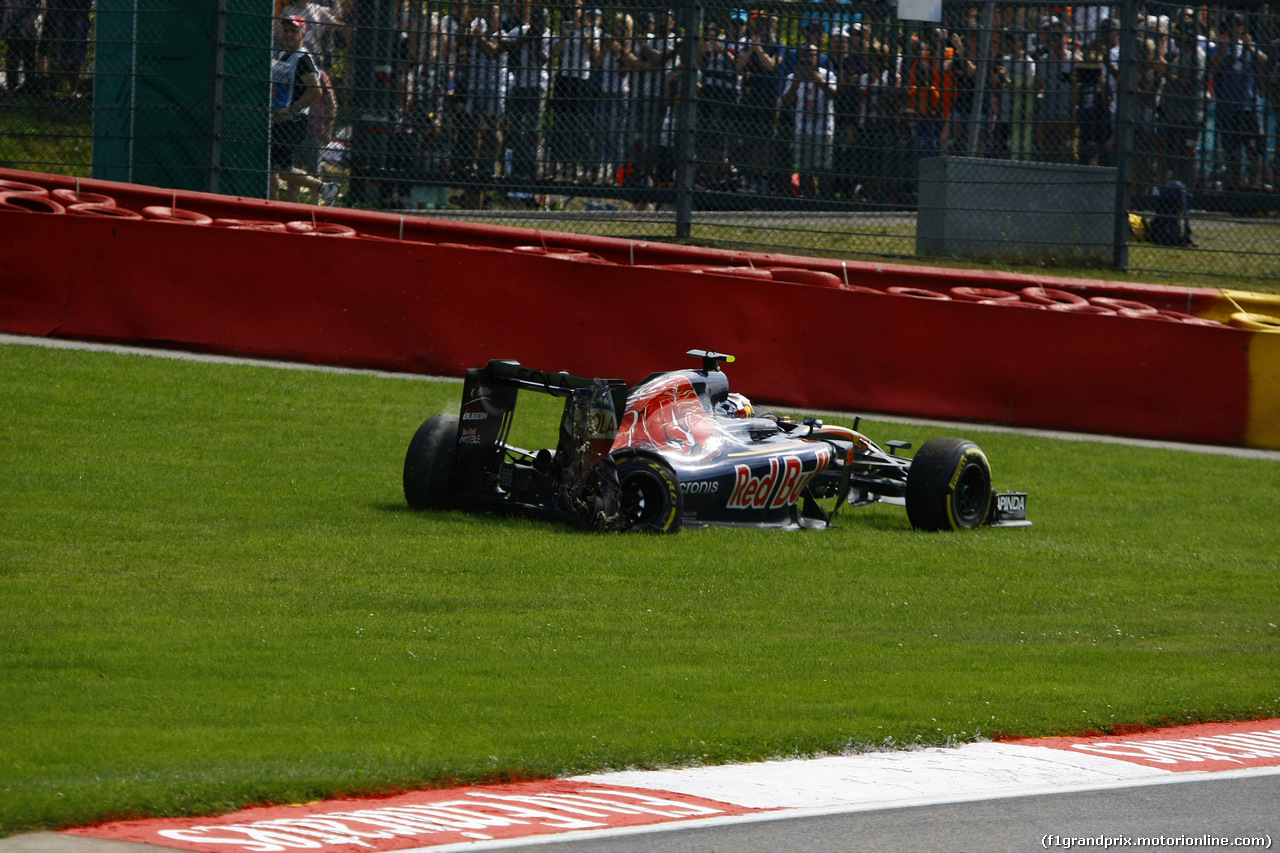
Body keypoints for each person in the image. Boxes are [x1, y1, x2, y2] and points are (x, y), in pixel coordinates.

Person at [271, 16, 340, 205]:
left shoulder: (302, 59)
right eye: (286, 31)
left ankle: (324, 188)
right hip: (278, 120)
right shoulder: (283, 56)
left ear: (303, 35)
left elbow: (316, 91)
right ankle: (271, 208)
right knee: (272, 170)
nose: (289, 35)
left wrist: (291, 110)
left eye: (294, 31)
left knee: (282, 170)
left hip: (292, 122)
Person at [1209, 11, 1268, 190]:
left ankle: (1255, 186)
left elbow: (1265, 61)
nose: (1236, 30)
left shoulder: (1249, 46)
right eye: (1232, 26)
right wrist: (1224, 48)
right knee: (1232, 153)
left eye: (1239, 26)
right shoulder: (1217, 47)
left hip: (1250, 106)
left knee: (1254, 150)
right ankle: (1233, 189)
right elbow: (1212, 67)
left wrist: (1250, 48)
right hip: (1228, 108)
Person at [781, 42, 838, 198]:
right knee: (805, 168)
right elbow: (785, 102)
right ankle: (809, 199)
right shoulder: (793, 77)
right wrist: (795, 85)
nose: (807, 59)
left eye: (811, 56)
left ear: (817, 58)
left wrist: (817, 80)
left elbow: (834, 94)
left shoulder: (827, 75)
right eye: (804, 56)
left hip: (823, 129)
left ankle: (825, 200)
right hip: (802, 128)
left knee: (824, 167)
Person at [1160, 13, 1206, 189]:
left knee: (1188, 154)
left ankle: (1190, 195)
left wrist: (1167, 74)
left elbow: (1189, 84)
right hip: (1175, 115)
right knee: (1174, 157)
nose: (1175, 40)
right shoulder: (1181, 55)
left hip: (1189, 117)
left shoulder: (1197, 56)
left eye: (1178, 36)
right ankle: (1175, 194)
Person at [506, 4, 551, 182]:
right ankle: (517, 168)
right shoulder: (520, 31)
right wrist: (526, 38)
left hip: (537, 85)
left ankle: (531, 167)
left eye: (543, 19)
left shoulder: (548, 35)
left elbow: (542, 60)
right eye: (536, 18)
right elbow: (507, 48)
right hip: (519, 83)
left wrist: (536, 41)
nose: (539, 22)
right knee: (517, 127)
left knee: (533, 127)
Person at [1, 0, 41, 94]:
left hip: (30, 22)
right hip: (15, 21)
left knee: (29, 55)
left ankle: (29, 83)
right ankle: (11, 84)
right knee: (13, 55)